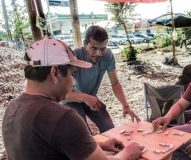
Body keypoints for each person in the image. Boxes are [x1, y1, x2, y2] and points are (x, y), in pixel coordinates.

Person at [2, 37, 143, 160]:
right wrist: (128, 153)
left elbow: (46, 147)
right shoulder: (63, 118)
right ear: (54, 72)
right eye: (72, 74)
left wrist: (98, 144)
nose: (73, 82)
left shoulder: (12, 108)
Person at [64, 25, 140, 133]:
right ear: (85, 44)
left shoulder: (108, 55)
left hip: (90, 97)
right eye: (94, 48)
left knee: (108, 127)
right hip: (71, 100)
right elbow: (62, 95)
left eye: (102, 49)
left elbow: (115, 83)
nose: (98, 54)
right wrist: (84, 97)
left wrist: (125, 105)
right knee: (83, 132)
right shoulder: (75, 57)